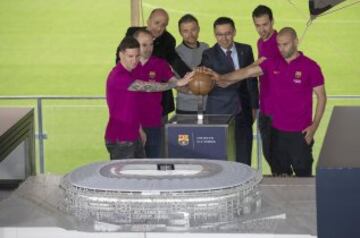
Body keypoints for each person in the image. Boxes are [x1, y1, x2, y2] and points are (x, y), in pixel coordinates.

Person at [201, 27, 327, 176]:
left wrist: (314, 127)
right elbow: (245, 73)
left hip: (300, 134)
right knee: (280, 176)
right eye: (279, 45)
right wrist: (221, 77)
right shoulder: (272, 63)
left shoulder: (310, 66)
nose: (281, 48)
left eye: (285, 44)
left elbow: (322, 97)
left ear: (296, 41)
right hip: (277, 133)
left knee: (303, 178)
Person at [105, 36, 192, 160]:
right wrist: (176, 83)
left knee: (142, 174)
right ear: (121, 55)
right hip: (121, 138)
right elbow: (148, 87)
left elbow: (131, 107)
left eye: (137, 56)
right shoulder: (118, 76)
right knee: (126, 178)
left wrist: (139, 129)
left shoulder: (131, 72)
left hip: (134, 135)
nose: (134, 60)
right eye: (130, 56)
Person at [201, 17, 258, 165]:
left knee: (244, 154)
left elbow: (252, 80)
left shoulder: (246, 49)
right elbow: (206, 79)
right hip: (219, 112)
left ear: (234, 32)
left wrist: (254, 106)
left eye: (228, 33)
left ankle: (245, 185)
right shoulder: (208, 54)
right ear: (214, 34)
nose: (224, 38)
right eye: (219, 34)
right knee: (220, 157)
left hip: (243, 110)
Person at [125, 8, 191, 117]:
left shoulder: (168, 41)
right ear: (148, 21)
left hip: (159, 103)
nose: (159, 28)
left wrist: (189, 76)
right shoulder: (132, 33)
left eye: (164, 25)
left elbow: (174, 60)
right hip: (135, 102)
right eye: (156, 23)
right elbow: (121, 56)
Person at [131, 29, 179, 158]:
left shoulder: (160, 64)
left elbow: (175, 81)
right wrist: (172, 85)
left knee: (155, 162)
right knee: (133, 167)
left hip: (154, 123)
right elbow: (141, 86)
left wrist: (190, 85)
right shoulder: (127, 65)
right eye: (144, 45)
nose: (148, 48)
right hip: (132, 124)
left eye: (151, 44)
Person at [252, 5, 282, 175]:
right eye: (258, 25)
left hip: (278, 108)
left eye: (265, 24)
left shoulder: (279, 42)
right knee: (268, 152)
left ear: (272, 22)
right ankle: (284, 180)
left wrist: (228, 77)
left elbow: (257, 69)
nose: (262, 29)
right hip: (265, 105)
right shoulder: (260, 42)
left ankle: (288, 184)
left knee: (277, 153)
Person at [175, 14, 209, 114]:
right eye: (185, 31)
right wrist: (194, 91)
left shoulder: (206, 48)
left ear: (198, 29)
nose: (190, 34)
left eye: (193, 29)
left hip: (207, 106)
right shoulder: (177, 53)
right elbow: (175, 83)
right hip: (186, 107)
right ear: (180, 32)